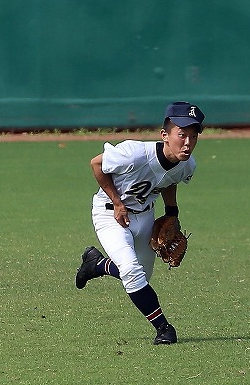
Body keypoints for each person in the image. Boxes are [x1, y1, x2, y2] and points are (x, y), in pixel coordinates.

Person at [74, 101, 204, 345]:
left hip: (145, 216)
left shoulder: (187, 164)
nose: (187, 143)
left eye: (193, 137)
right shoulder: (134, 152)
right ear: (165, 135)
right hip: (111, 215)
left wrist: (172, 213)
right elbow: (96, 164)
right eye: (182, 135)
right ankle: (164, 329)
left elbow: (170, 179)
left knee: (140, 276)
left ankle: (96, 265)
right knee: (132, 273)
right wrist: (118, 201)